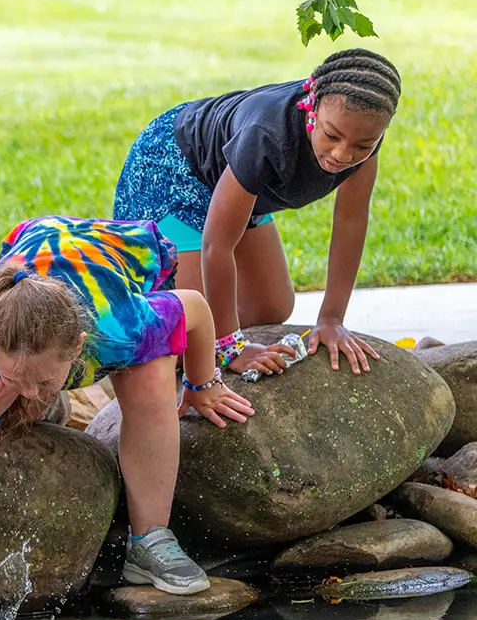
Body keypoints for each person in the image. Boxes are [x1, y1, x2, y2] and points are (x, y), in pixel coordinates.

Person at [0, 216, 254, 596]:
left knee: (150, 381)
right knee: (21, 406)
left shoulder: (121, 326)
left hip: (116, 252)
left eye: (47, 382)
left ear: (80, 348)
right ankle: (40, 392)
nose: (32, 391)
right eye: (18, 380)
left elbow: (196, 309)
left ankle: (150, 542)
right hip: (35, 245)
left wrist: (201, 383)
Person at [113, 48, 401, 376]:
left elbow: (350, 220)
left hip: (240, 180)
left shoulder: (362, 137)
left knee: (271, 307)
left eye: (362, 145)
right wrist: (229, 346)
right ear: (312, 106)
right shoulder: (268, 136)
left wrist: (332, 318)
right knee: (187, 339)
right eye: (331, 135)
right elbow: (216, 245)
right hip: (174, 167)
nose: (342, 154)